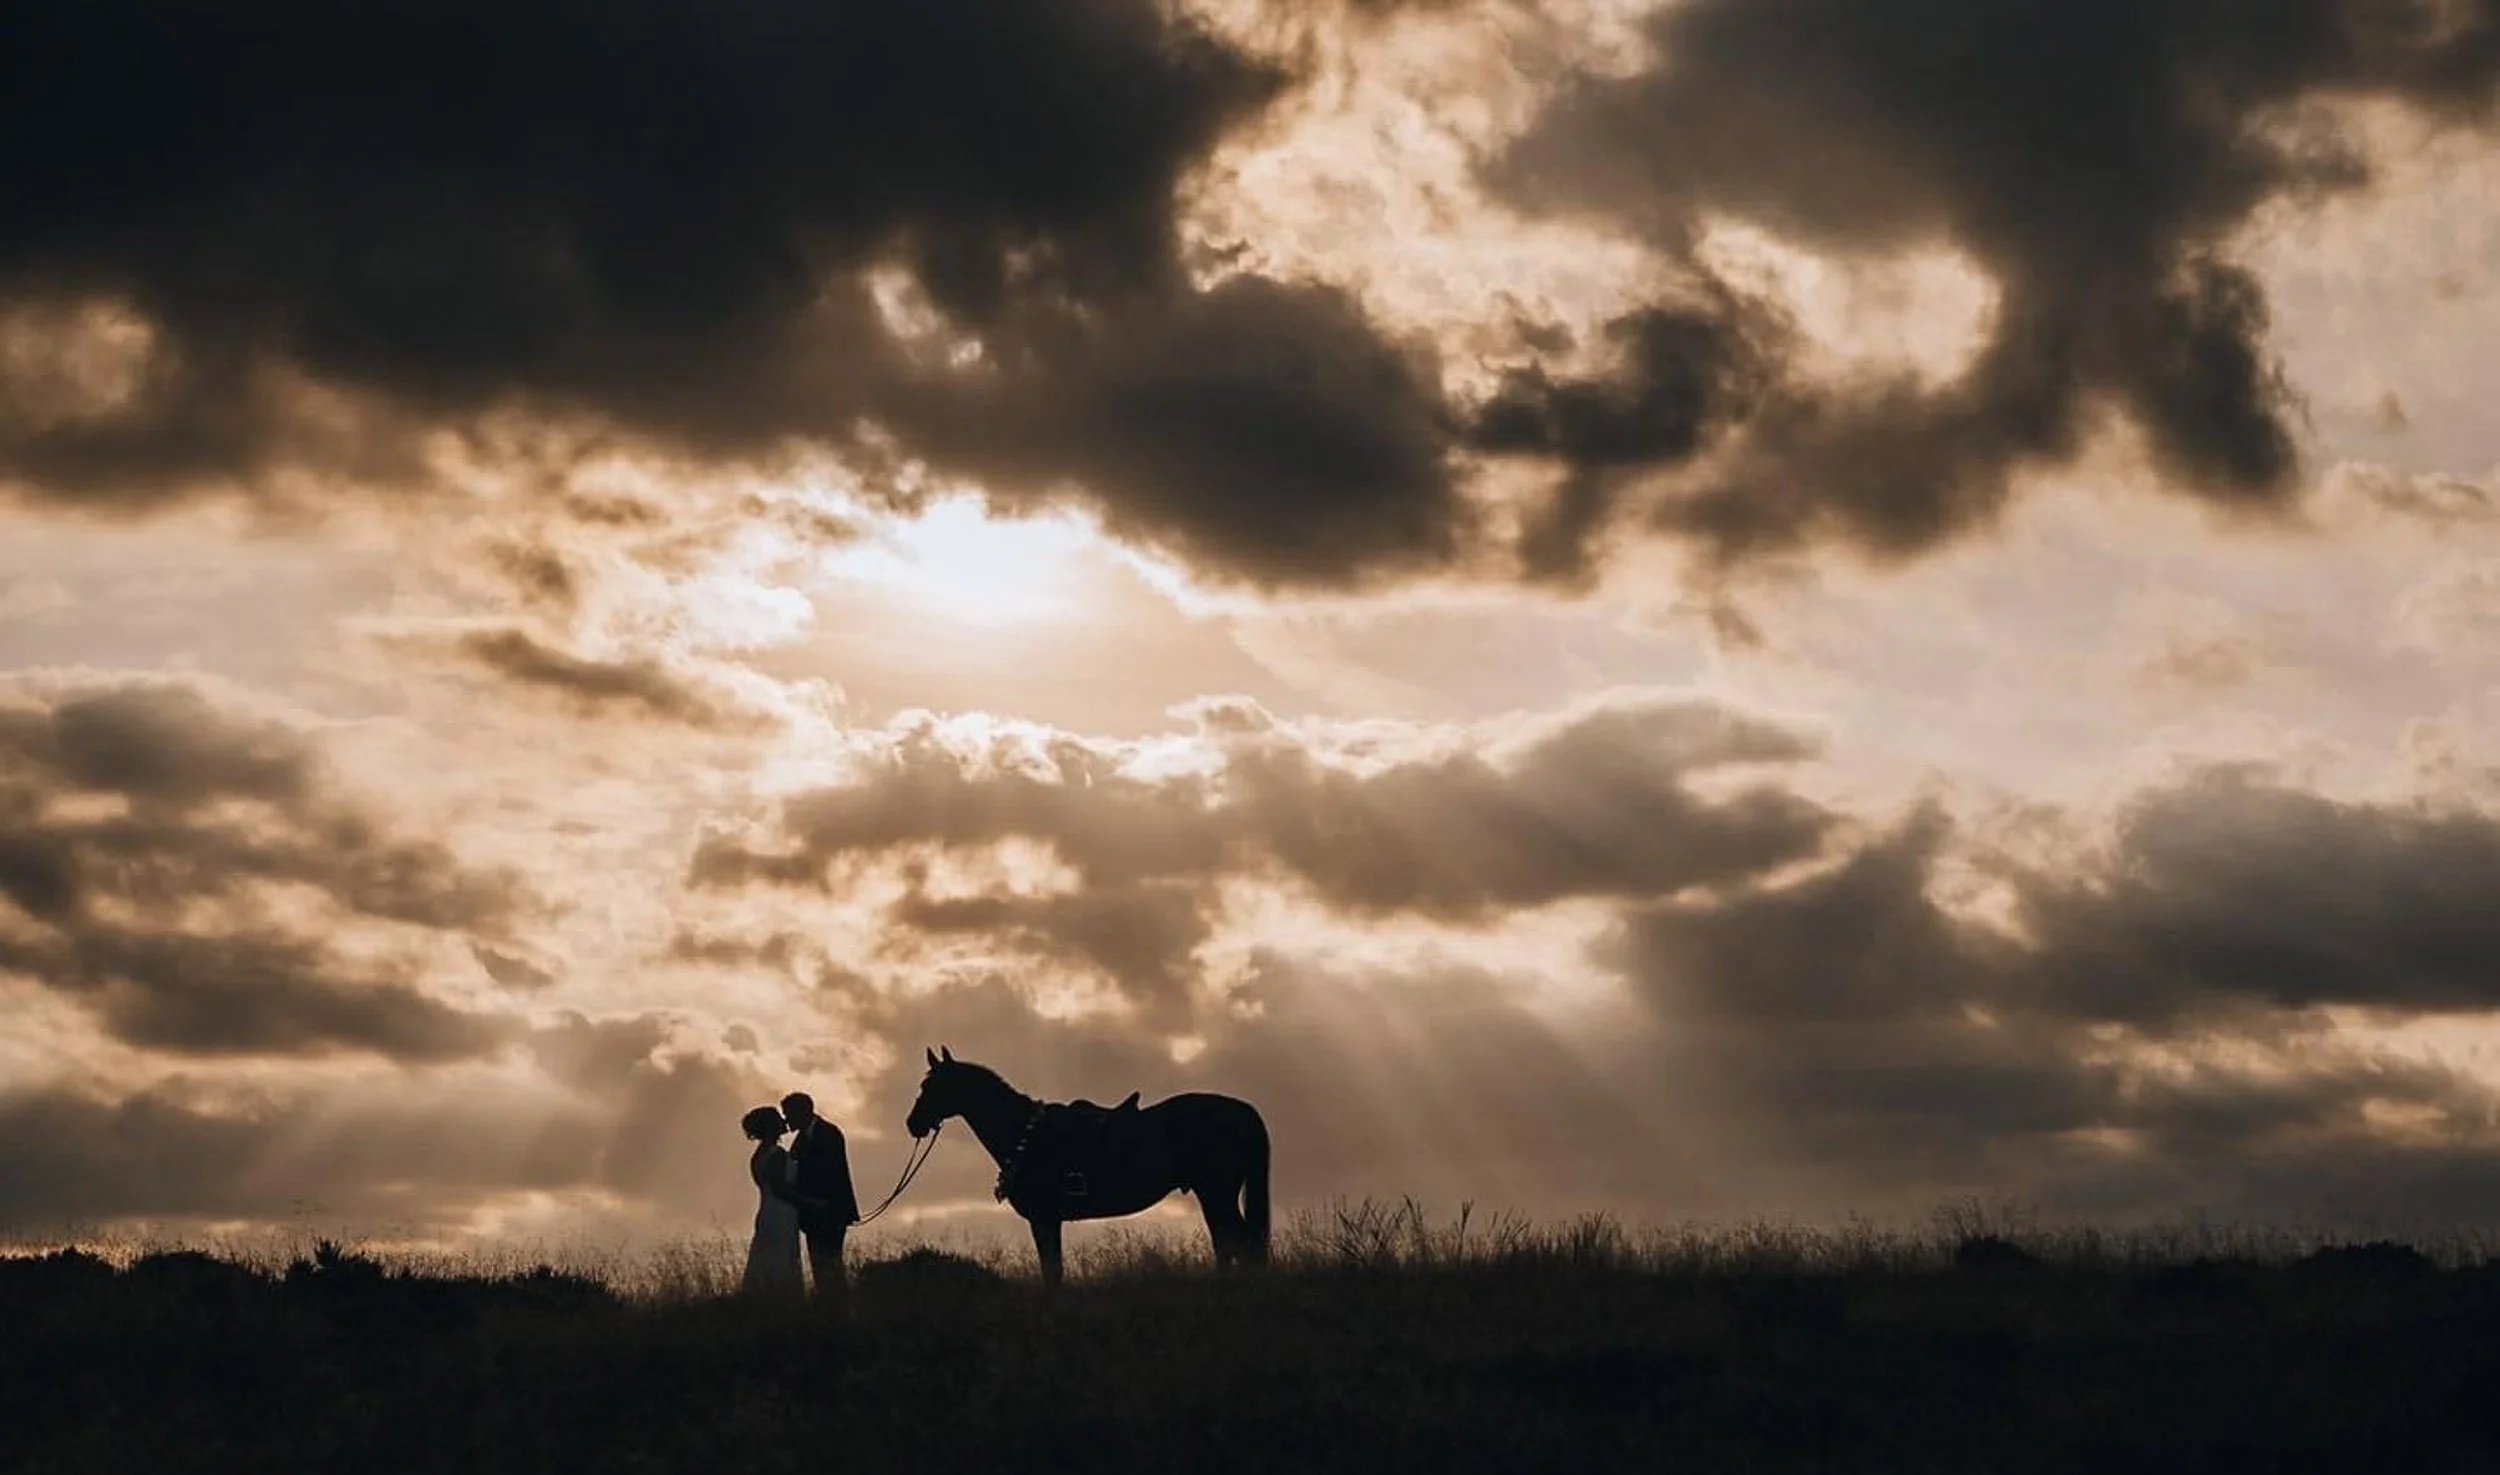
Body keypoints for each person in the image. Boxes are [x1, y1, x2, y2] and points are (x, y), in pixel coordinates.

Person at [780, 1090, 860, 1311]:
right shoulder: (804, 1137)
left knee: (830, 1264)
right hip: (814, 1213)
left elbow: (829, 1174)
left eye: (789, 1114)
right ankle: (832, 1308)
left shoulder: (828, 1134)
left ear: (803, 1112)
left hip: (830, 1212)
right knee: (822, 1265)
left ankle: (839, 1309)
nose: (787, 1119)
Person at [738, 1105, 803, 1303]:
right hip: (782, 1213)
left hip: (767, 1211)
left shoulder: (758, 1156)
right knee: (781, 1261)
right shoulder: (776, 1155)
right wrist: (810, 1201)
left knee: (767, 1259)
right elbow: (780, 1188)